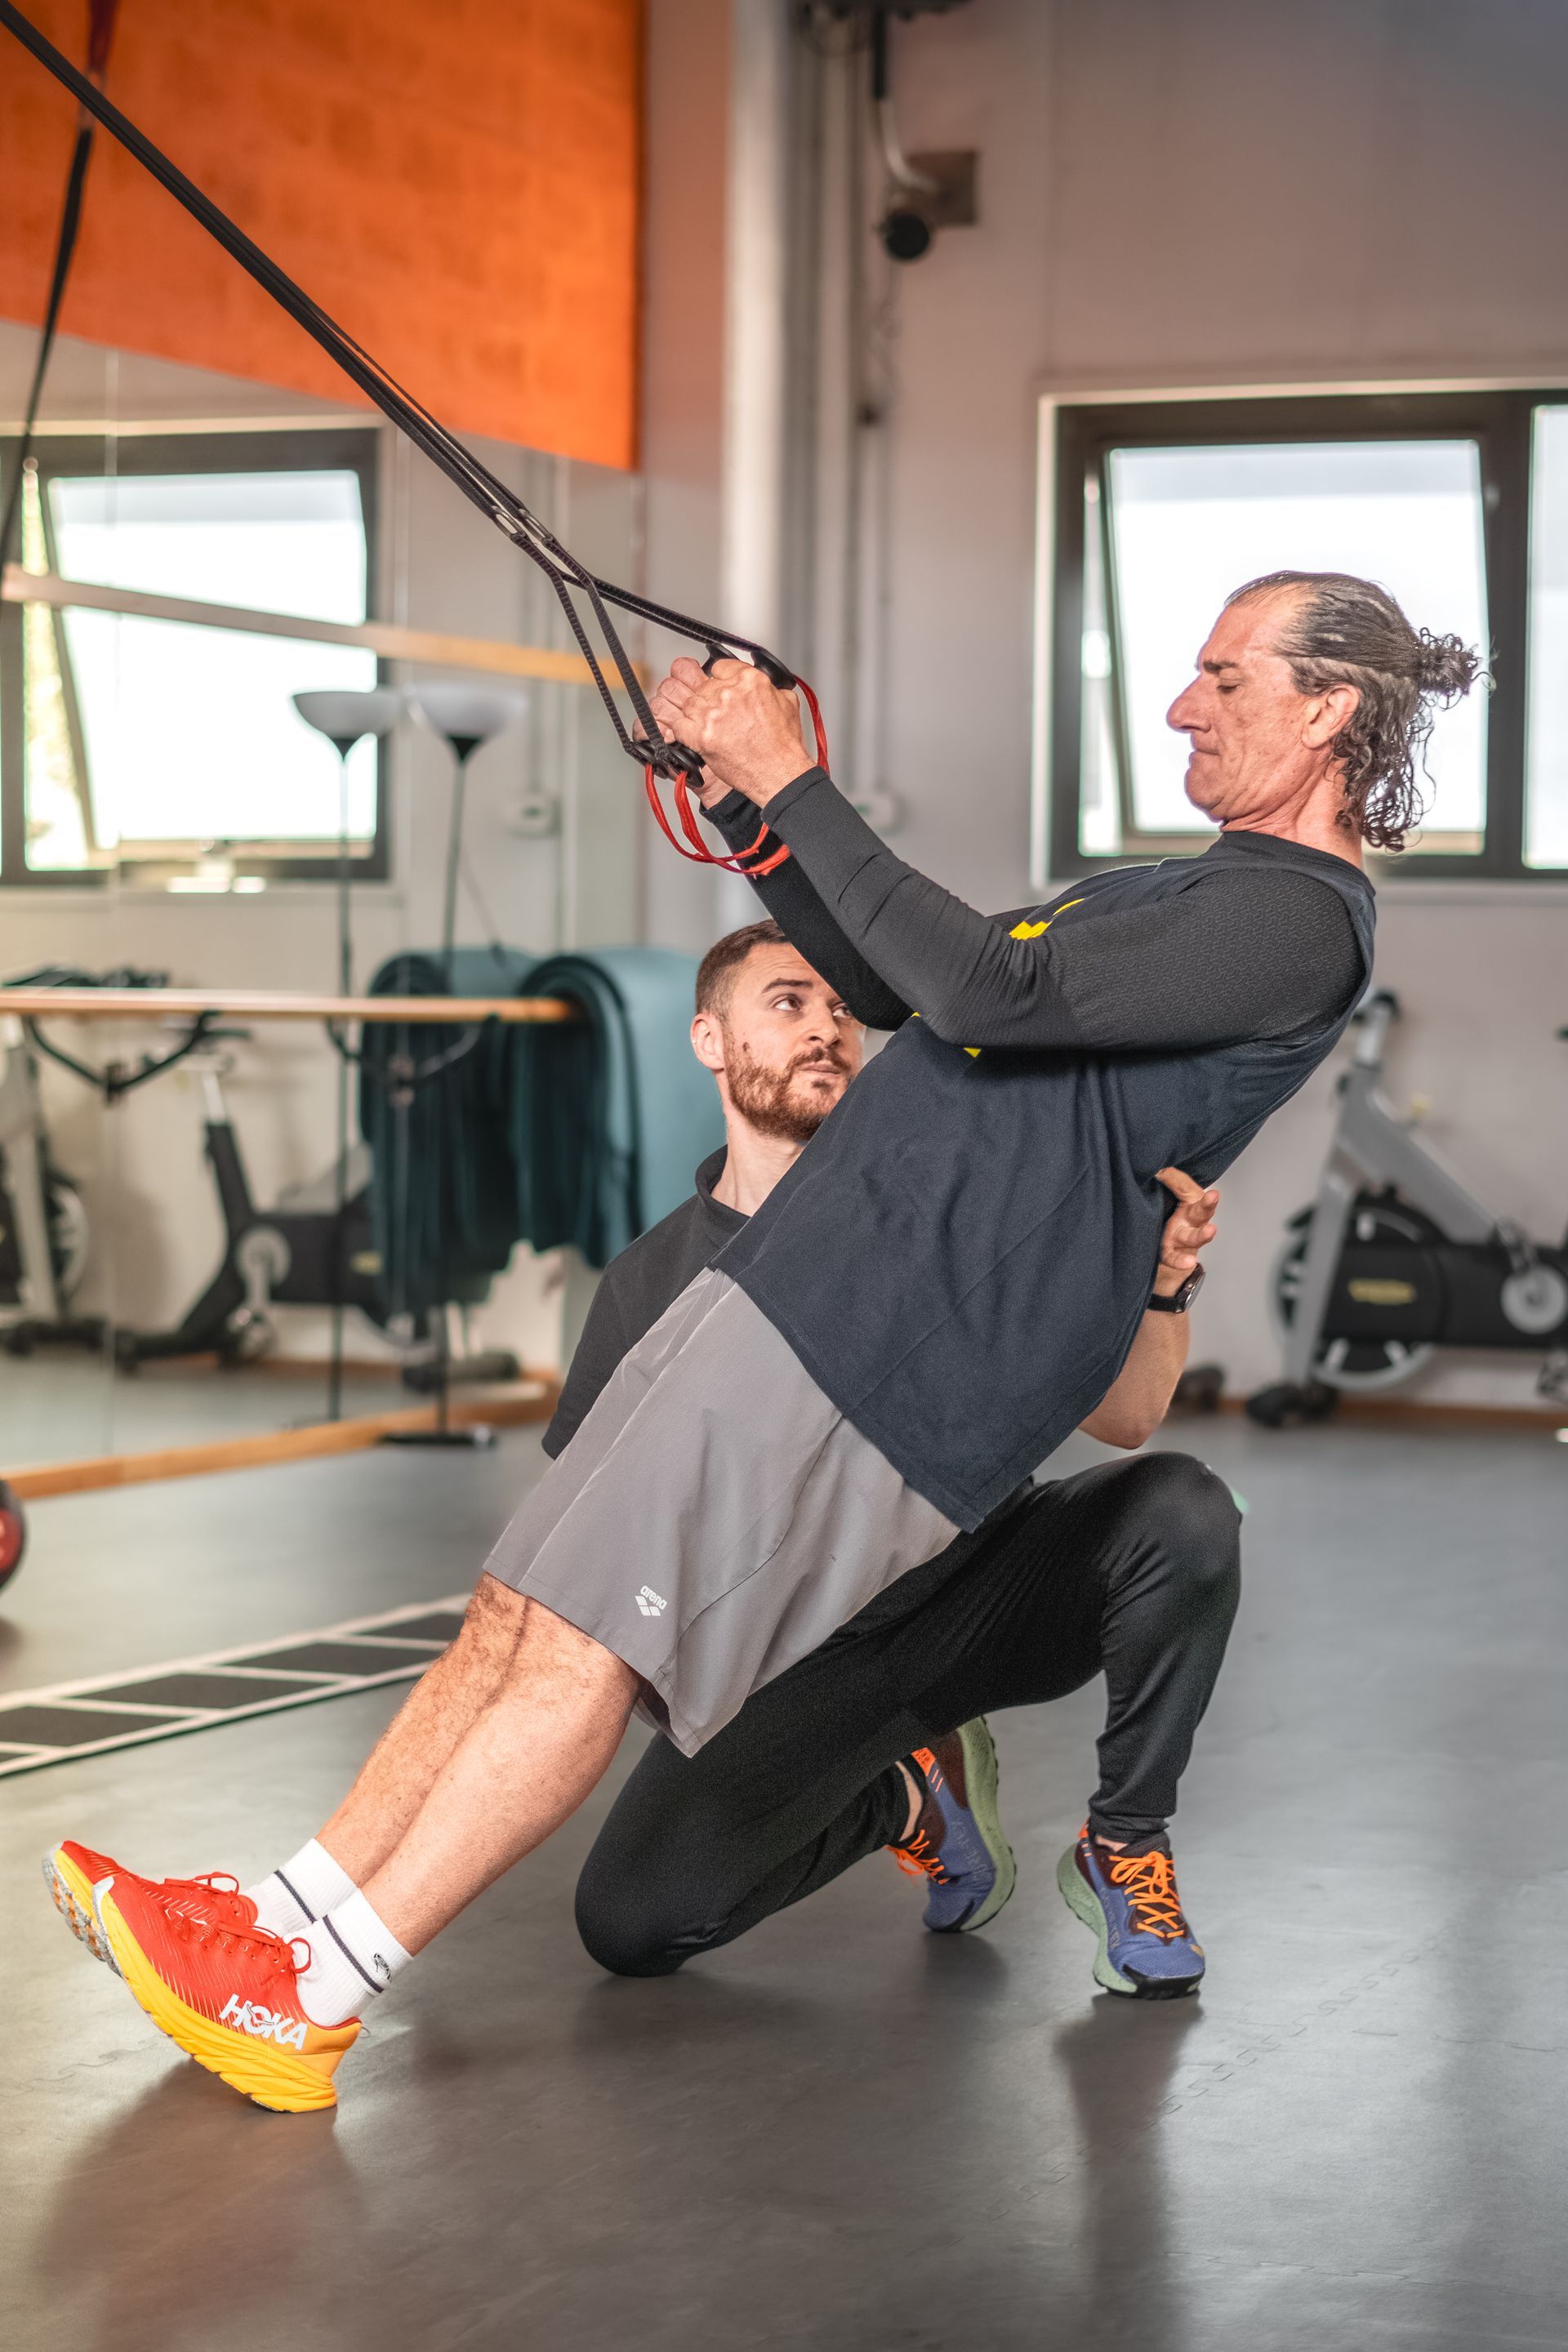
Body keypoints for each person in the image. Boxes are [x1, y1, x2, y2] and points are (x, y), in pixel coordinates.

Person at [48, 570, 1477, 2114]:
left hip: (896, 1347)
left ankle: (317, 1995)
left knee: (595, 1643)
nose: (1186, 701)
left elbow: (987, 988)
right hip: (806, 1286)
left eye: (1224, 675)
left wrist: (795, 768)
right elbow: (896, 980)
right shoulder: (1175, 891)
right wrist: (750, 805)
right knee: (525, 1610)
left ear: (1330, 706)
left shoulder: (1294, 922)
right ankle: (282, 1919)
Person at [554, 920, 1236, 1993]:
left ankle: (1126, 1840)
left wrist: (1163, 1280)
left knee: (1184, 1509)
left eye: (843, 1011)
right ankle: (903, 1798)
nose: (826, 1029)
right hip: (805, 1670)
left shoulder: (952, 1220)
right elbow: (591, 1544)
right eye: (787, 1002)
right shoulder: (649, 1286)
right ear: (708, 1039)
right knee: (628, 1924)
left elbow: (1132, 1416)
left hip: (979, 1591)